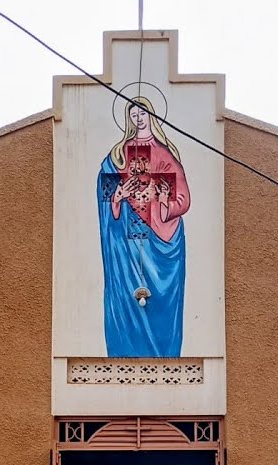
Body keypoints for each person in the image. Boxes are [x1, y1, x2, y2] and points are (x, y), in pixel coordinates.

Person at [97, 95, 191, 358]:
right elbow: (106, 189)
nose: (138, 118)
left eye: (142, 113)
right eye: (133, 114)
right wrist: (118, 195)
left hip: (161, 242)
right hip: (126, 245)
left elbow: (181, 199)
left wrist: (163, 200)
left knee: (160, 303)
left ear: (151, 116)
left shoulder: (164, 155)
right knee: (127, 301)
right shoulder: (118, 155)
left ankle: (164, 358)